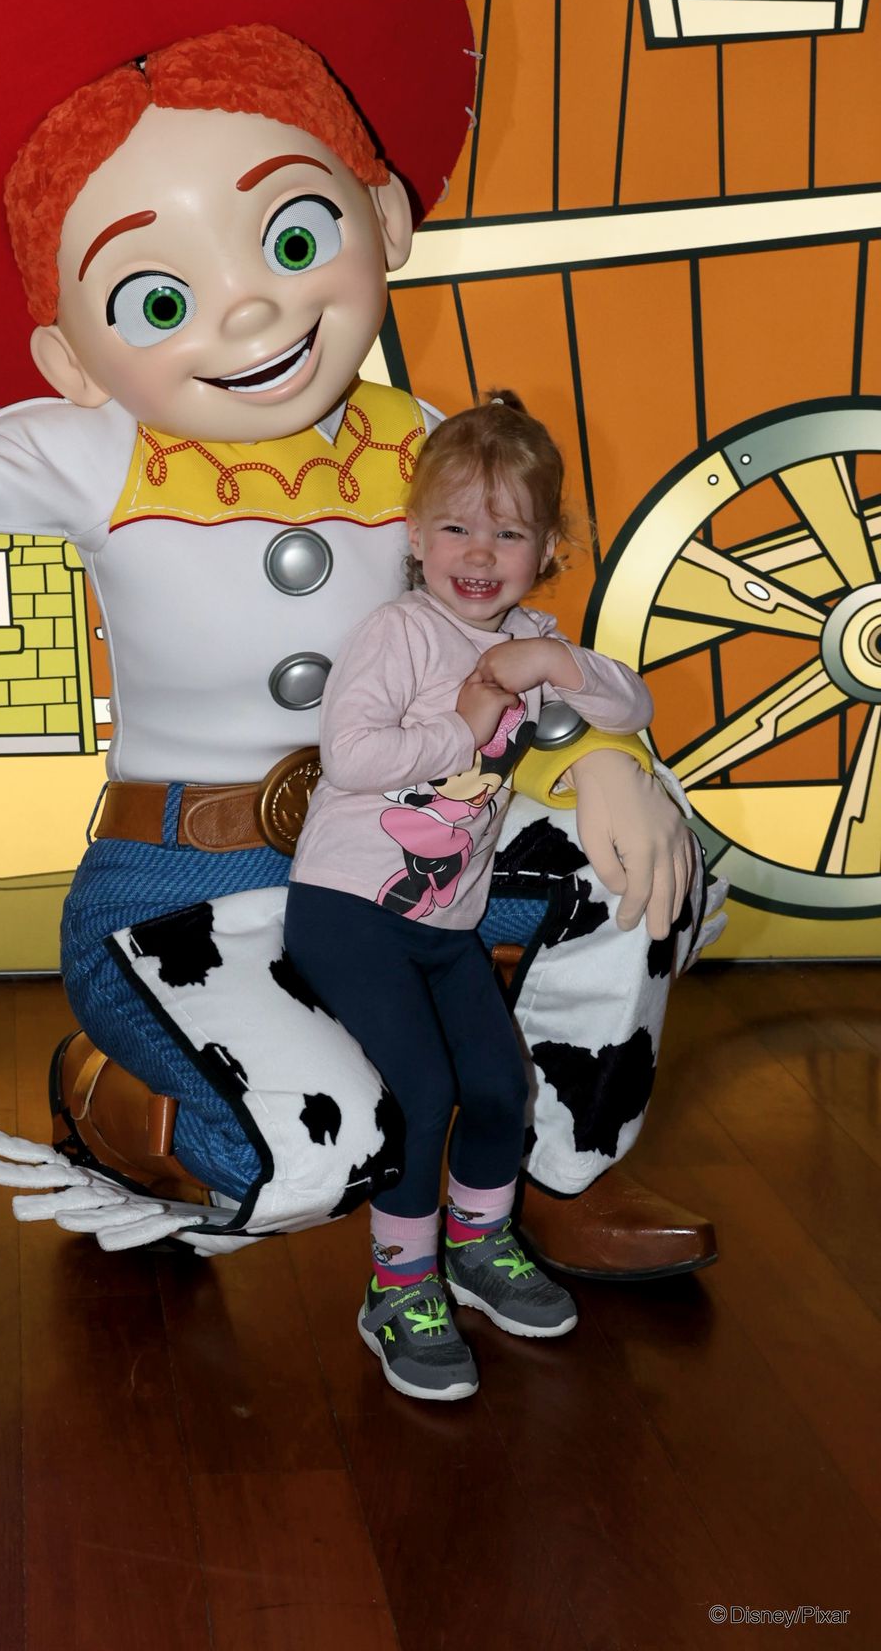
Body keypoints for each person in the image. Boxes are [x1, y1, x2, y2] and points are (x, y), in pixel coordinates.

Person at [0, 0, 718, 1270]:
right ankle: (115, 1099)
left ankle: (544, 1168)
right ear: (67, 357)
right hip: (182, 890)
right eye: (158, 298)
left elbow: (495, 637)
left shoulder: (418, 440)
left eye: (293, 239)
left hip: (396, 858)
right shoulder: (88, 450)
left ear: (382, 220)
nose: (248, 310)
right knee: (328, 1152)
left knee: (635, 867)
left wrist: (594, 758)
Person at [285, 393, 654, 1399]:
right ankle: (398, 1286)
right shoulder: (398, 633)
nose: (478, 553)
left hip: (442, 922)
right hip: (347, 911)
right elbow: (350, 757)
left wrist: (549, 661)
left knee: (498, 1085)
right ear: (414, 537)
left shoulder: (527, 637)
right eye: (454, 528)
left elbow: (629, 701)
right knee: (422, 1093)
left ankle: (478, 1247)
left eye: (508, 533)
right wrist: (469, 720)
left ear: (547, 549)